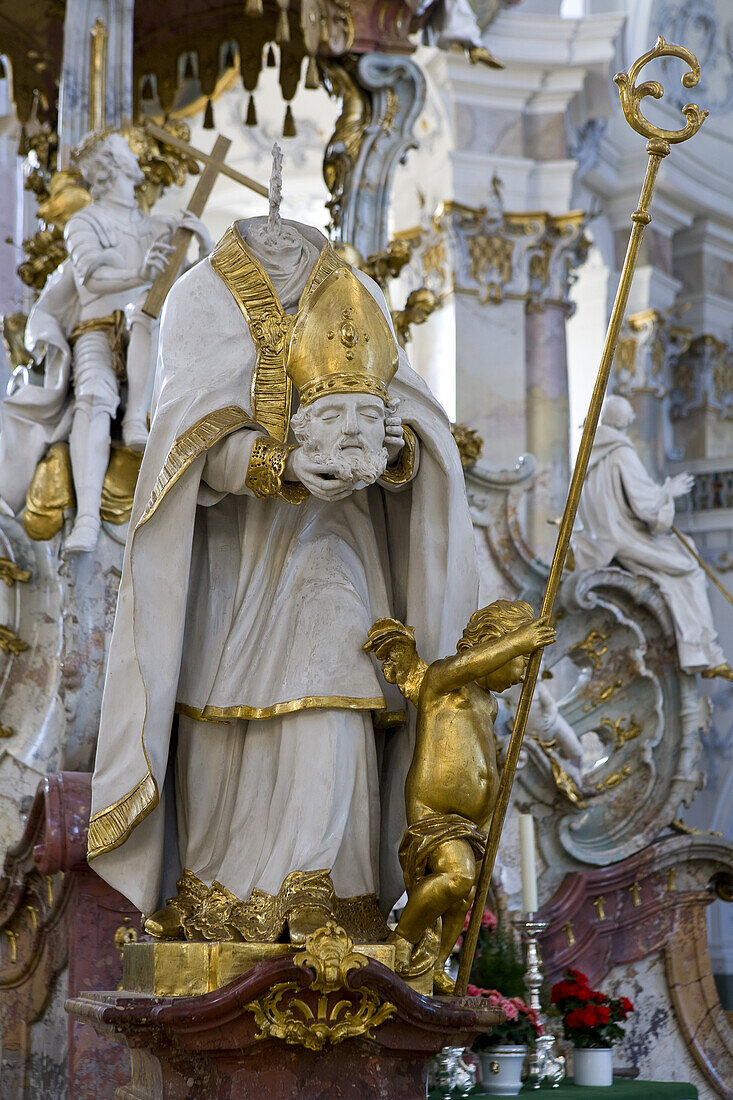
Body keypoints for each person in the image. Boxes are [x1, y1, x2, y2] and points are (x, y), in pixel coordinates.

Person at [87, 207, 479, 944]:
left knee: (333, 694)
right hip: (233, 563)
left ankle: (324, 882)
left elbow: (418, 419)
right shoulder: (203, 295)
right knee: (216, 720)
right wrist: (277, 463)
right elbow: (181, 439)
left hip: (338, 549)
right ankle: (218, 893)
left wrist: (396, 444)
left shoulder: (352, 287)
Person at [0, 130, 211, 553]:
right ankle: (87, 519)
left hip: (150, 337)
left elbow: (194, 288)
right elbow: (89, 277)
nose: (136, 158)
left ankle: (137, 417)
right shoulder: (86, 221)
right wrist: (139, 276)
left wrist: (204, 243)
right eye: (125, 153)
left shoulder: (160, 225)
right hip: (95, 329)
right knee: (93, 402)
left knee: (146, 317)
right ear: (112, 168)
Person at [364, 601, 555, 991]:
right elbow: (465, 665)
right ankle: (399, 942)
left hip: (472, 822)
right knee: (457, 876)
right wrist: (521, 640)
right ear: (492, 644)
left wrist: (488, 817)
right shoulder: (442, 682)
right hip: (434, 812)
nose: (522, 674)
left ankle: (435, 963)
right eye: (520, 662)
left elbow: (484, 761)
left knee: (463, 899)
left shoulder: (489, 704)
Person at [574, 394, 733, 679]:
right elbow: (646, 508)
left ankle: (706, 652)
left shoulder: (590, 450)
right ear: (620, 420)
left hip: (602, 537)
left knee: (687, 549)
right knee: (687, 569)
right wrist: (669, 492)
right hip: (624, 537)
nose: (633, 420)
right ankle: (703, 652)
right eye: (628, 416)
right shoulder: (621, 451)